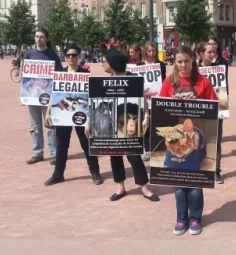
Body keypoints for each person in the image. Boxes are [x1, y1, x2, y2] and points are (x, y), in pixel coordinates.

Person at [85, 49, 159, 202]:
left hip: (130, 124)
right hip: (111, 126)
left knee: (134, 157)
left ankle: (144, 187)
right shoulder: (103, 82)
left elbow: (143, 100)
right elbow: (95, 102)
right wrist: (88, 122)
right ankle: (120, 186)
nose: (102, 64)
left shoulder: (134, 79)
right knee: (114, 156)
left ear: (112, 63)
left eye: (104, 61)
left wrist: (146, 116)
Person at [159, 46, 218, 236]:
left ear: (193, 61)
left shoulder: (203, 82)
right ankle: (181, 219)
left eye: (186, 61)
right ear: (175, 63)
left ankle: (195, 218)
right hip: (175, 143)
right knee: (178, 185)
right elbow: (161, 108)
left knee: (194, 185)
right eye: (179, 61)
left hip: (195, 143)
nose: (183, 65)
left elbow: (214, 107)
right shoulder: (169, 82)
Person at [43, 44, 104, 186]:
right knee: (61, 145)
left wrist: (89, 119)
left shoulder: (85, 74)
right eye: (69, 55)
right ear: (65, 57)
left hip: (81, 114)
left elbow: (91, 96)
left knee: (87, 143)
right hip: (63, 113)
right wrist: (48, 112)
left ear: (79, 56)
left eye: (74, 55)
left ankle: (95, 172)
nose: (71, 57)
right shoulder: (60, 73)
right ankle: (58, 174)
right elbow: (54, 94)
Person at [24, 27, 62, 165]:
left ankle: (54, 153)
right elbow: (26, 76)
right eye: (36, 37)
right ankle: (37, 153)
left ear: (46, 38)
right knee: (34, 125)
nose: (38, 39)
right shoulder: (30, 53)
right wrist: (23, 95)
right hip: (33, 95)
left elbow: (59, 75)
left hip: (48, 95)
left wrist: (55, 95)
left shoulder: (52, 55)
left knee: (50, 124)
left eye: (41, 37)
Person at [208, 36, 230, 184]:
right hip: (203, 103)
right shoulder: (198, 63)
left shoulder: (223, 62)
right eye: (209, 44)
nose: (212, 47)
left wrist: (224, 106)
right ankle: (204, 169)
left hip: (219, 100)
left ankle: (216, 171)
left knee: (217, 138)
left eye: (214, 44)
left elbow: (225, 85)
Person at [141, 42, 167, 162]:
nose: (151, 53)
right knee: (146, 124)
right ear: (145, 51)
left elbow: (164, 80)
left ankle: (157, 148)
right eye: (149, 51)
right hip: (144, 100)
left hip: (157, 98)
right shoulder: (140, 65)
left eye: (153, 51)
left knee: (157, 125)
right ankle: (147, 149)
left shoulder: (161, 65)